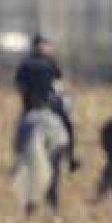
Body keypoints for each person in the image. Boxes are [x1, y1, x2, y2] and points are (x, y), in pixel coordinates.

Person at [15, 33, 80, 171]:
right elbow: (58, 84)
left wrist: (27, 96)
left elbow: (19, 85)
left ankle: (18, 159)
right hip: (49, 104)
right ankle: (71, 157)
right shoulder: (51, 62)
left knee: (20, 130)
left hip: (30, 105)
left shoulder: (25, 63)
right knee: (68, 124)